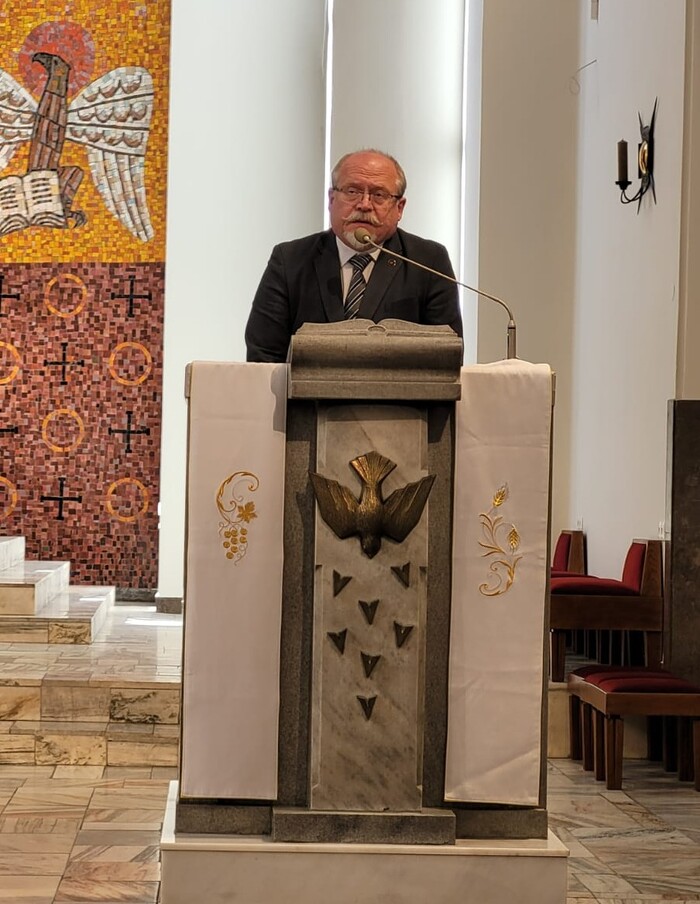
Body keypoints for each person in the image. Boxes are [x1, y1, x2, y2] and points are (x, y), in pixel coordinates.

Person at [244, 149, 463, 362]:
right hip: (307, 388)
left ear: (399, 208)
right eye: (352, 191)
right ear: (331, 200)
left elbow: (446, 357)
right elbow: (264, 356)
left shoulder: (428, 262)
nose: (364, 205)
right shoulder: (290, 260)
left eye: (379, 195)